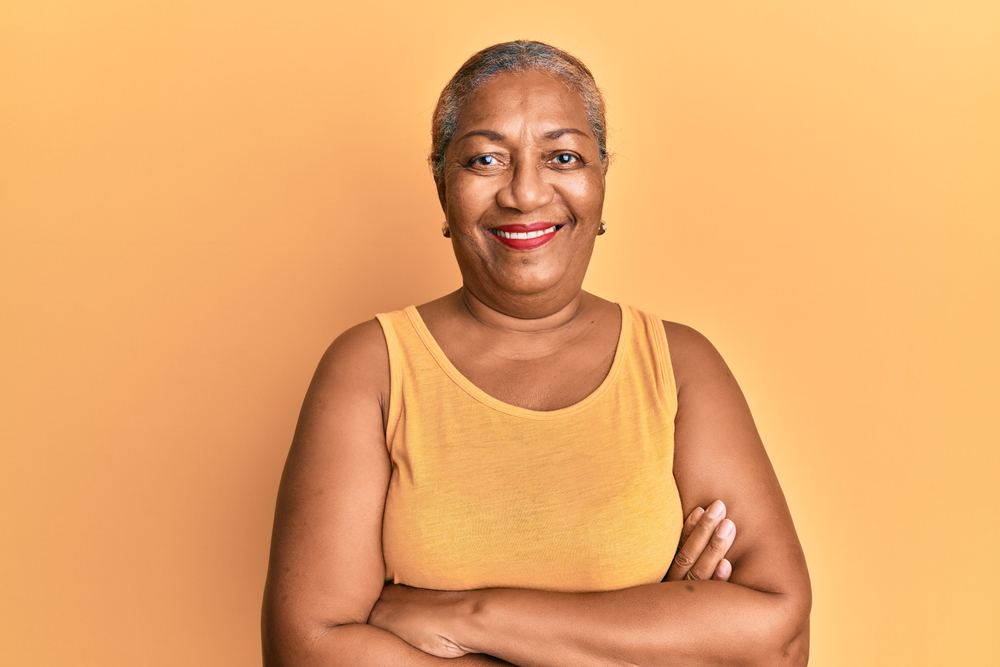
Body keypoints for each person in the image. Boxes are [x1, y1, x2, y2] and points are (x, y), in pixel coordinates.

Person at [261, 41, 810, 667]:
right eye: (486, 159)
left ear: (601, 181)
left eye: (563, 156)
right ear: (444, 189)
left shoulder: (679, 366)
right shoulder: (373, 367)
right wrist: (659, 642)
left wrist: (467, 616)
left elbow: (776, 639)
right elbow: (308, 652)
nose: (524, 193)